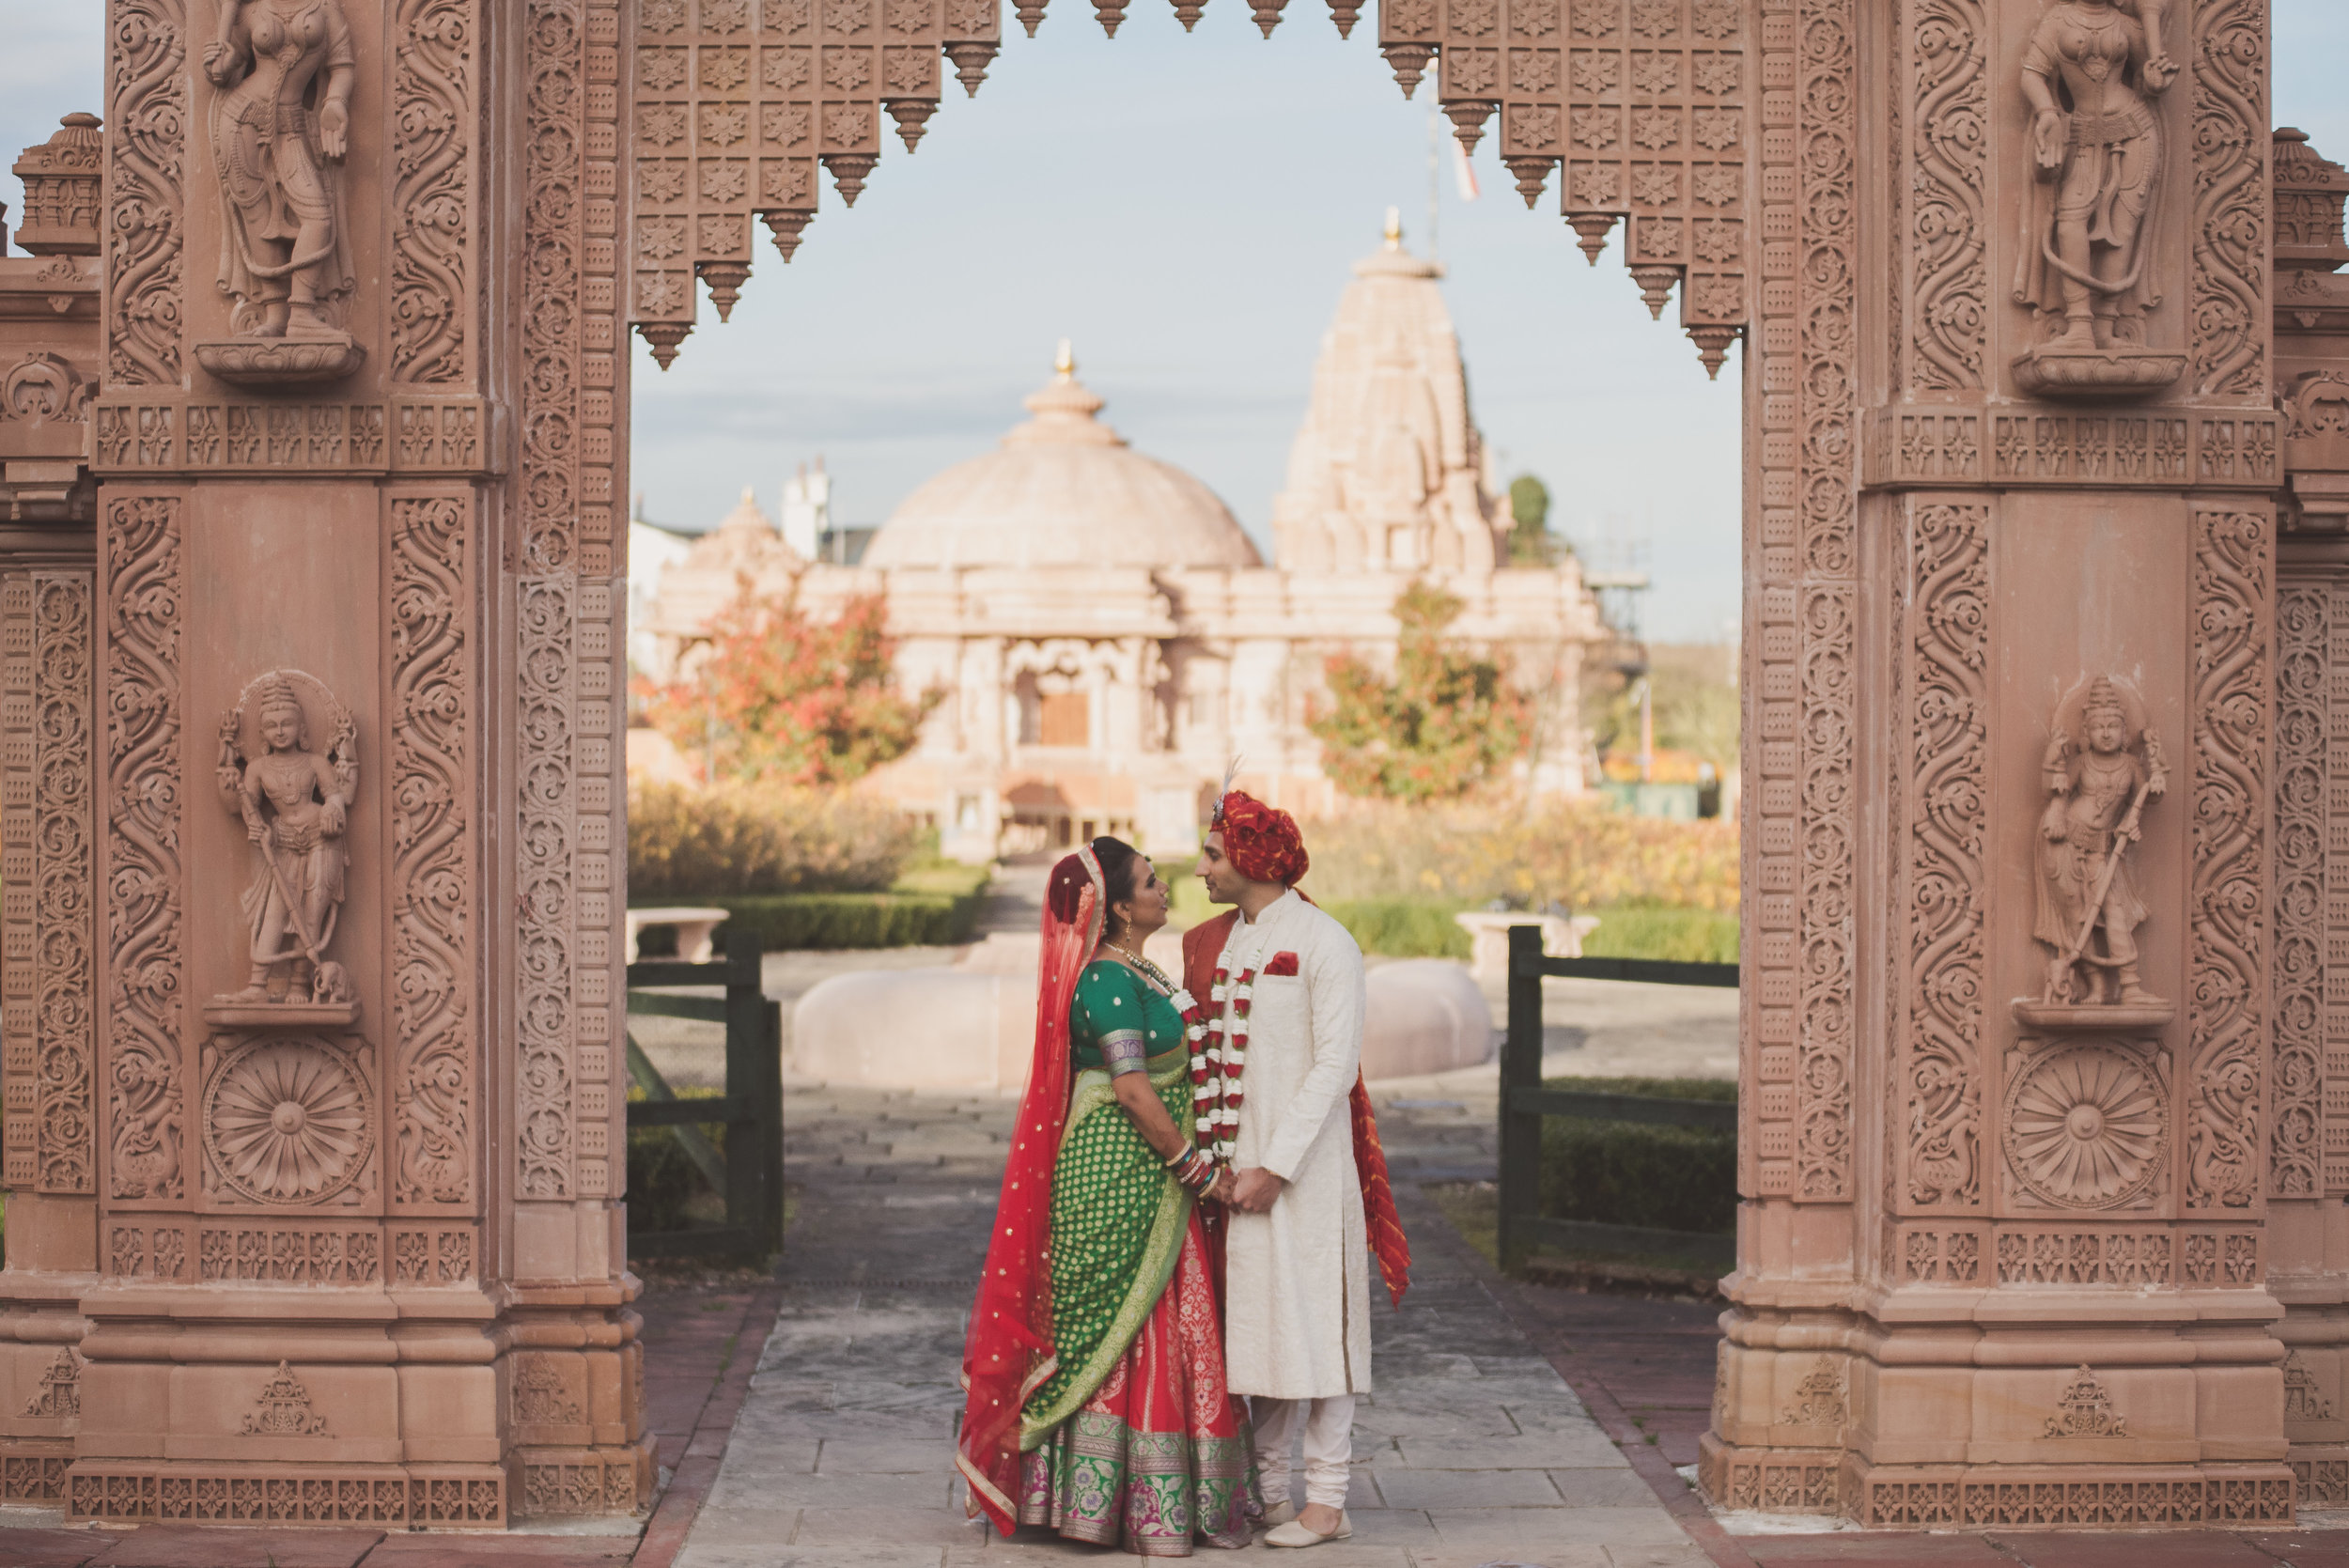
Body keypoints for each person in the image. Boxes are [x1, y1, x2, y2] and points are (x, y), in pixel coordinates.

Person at [959, 839, 1257, 1555]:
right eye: (1151, 882)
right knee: (1123, 1324)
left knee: (1168, 1317)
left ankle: (1149, 1500)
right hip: (1122, 1170)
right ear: (1120, 907)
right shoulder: (1105, 981)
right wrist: (1196, 1167)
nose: (1165, 887)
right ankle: (1104, 1504)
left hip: (1152, 1175)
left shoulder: (1138, 969)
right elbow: (1130, 1087)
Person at [1183, 791, 1411, 1550]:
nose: (1200, 867)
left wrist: (1275, 1165)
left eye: (1213, 854)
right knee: (1259, 1334)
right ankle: (1271, 1493)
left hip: (1307, 1175)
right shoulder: (1231, 943)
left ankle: (1329, 1498)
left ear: (1253, 858)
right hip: (1237, 1176)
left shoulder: (1323, 941)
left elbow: (1333, 1067)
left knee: (1321, 1330)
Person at [204, 0, 359, 338]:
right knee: (257, 215)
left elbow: (342, 66)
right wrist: (221, 65)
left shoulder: (325, 11)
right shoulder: (253, 10)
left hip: (289, 126)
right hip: (240, 119)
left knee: (317, 215)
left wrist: (335, 102)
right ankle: (275, 315)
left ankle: (301, 313)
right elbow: (233, 63)